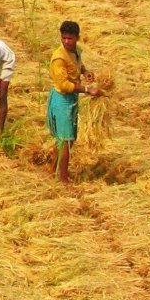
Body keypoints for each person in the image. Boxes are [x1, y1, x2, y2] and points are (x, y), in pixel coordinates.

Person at [47, 20, 102, 184]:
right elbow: (64, 85)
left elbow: (78, 65)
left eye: (70, 38)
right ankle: (63, 178)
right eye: (64, 38)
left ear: (77, 38)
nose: (66, 42)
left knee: (68, 140)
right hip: (62, 99)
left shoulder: (76, 51)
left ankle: (54, 170)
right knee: (66, 139)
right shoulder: (58, 58)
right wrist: (87, 90)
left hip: (72, 99)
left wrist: (85, 72)